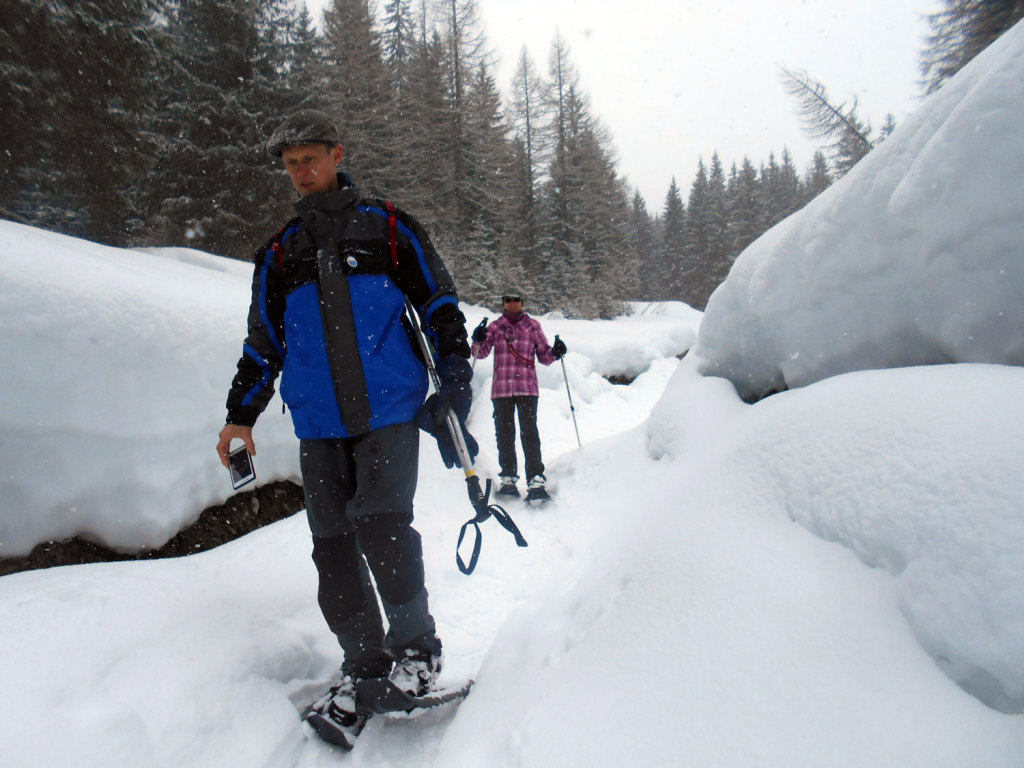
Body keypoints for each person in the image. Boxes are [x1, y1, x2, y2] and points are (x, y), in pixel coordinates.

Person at [215, 109, 475, 739]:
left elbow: (439, 304)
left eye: (310, 159)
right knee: (332, 548)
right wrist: (239, 417)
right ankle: (364, 666)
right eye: (290, 164)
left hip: (388, 409)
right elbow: (263, 344)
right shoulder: (280, 253)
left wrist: (455, 378)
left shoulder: (388, 228)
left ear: (338, 153)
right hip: (319, 424)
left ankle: (417, 654)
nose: (301, 173)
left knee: (382, 526)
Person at [470, 290, 566, 502]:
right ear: (503, 303)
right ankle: (508, 478)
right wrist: (477, 339)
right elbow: (480, 353)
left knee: (529, 433)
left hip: (527, 388)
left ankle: (535, 479)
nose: (512, 304)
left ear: (522, 303)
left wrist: (556, 352)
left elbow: (544, 356)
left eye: (516, 300)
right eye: (508, 300)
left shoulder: (533, 327)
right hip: (502, 389)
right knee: (504, 434)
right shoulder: (495, 327)